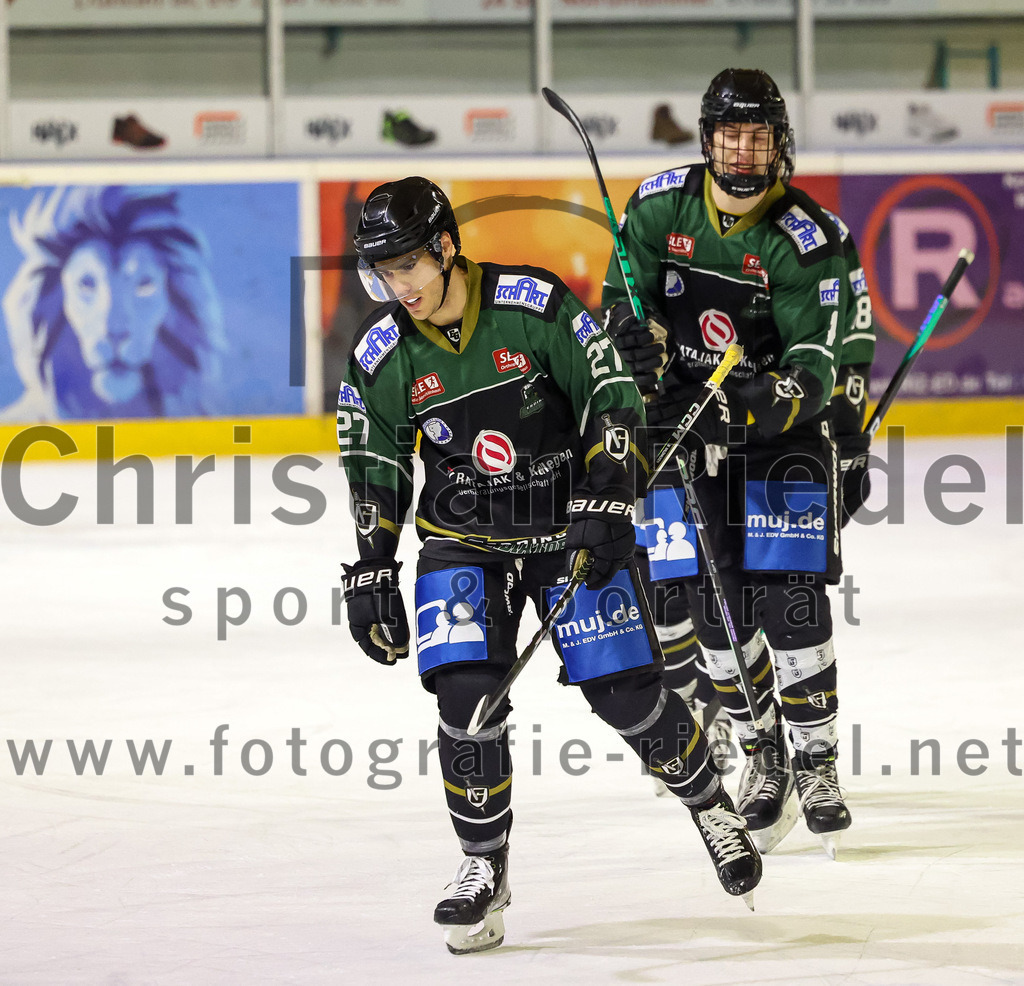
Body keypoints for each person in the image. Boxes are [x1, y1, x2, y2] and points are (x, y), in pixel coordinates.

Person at [337, 177, 762, 955]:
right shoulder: (384, 351)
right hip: (463, 539)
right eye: (384, 273)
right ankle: (483, 866)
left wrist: (610, 495)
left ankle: (710, 804)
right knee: (465, 697)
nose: (400, 287)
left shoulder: (532, 306)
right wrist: (372, 567)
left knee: (627, 696)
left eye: (409, 266)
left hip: (570, 530)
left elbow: (610, 394)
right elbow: (375, 457)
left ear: (446, 247)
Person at [602, 69, 854, 859]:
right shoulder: (657, 205)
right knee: (716, 608)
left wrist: (750, 399)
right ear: (707, 139)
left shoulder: (807, 238)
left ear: (781, 144)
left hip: (780, 436)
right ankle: (762, 752)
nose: (744, 152)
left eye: (759, 136)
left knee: (793, 602)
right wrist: (631, 336)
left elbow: (814, 370)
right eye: (730, 135)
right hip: (686, 431)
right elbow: (623, 301)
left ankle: (816, 762)